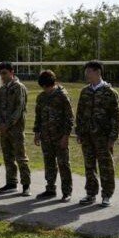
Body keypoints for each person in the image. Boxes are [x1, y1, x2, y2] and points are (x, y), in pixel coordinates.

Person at [75, 60, 119, 207]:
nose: (86, 74)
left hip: (103, 137)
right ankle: (90, 193)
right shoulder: (85, 91)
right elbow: (80, 113)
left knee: (106, 166)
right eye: (86, 72)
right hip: (87, 135)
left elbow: (115, 116)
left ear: (98, 72)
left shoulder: (110, 92)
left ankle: (107, 194)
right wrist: (79, 132)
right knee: (89, 165)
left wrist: (113, 137)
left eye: (89, 71)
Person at [32, 70, 74, 202]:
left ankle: (67, 192)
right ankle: (50, 189)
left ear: (53, 83)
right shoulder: (41, 97)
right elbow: (38, 117)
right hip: (46, 136)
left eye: (48, 87)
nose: (46, 90)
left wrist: (66, 136)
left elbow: (70, 118)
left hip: (60, 137)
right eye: (44, 88)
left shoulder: (62, 96)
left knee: (63, 164)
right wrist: (37, 133)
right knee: (49, 163)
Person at [0, 62, 31, 196]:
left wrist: (7, 124)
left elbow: (19, 109)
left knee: (20, 157)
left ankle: (26, 185)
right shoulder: (1, 90)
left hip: (16, 129)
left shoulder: (19, 88)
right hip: (4, 130)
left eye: (4, 73)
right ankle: (11, 182)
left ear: (11, 72)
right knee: (8, 157)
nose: (2, 76)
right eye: (1, 74)